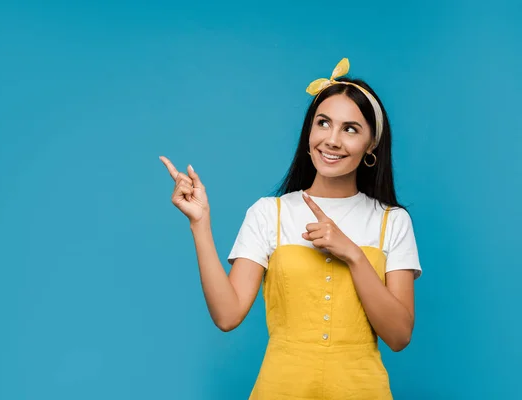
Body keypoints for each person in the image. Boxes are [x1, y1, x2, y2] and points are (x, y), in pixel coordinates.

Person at [159, 58, 422, 400]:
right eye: (323, 123)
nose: (332, 140)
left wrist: (354, 256)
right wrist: (200, 224)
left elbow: (399, 336)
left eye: (351, 129)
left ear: (372, 144)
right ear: (308, 132)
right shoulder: (269, 213)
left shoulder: (392, 220)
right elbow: (227, 315)